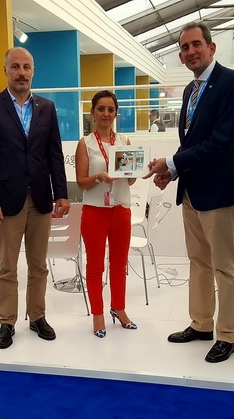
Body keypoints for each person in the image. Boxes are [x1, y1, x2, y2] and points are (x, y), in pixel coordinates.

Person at [144, 22, 234, 363]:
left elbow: (221, 142)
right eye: (184, 47)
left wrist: (171, 162)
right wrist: (173, 172)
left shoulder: (231, 82)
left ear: (211, 48)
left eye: (196, 44)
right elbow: (192, 142)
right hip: (192, 190)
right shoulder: (190, 91)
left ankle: (227, 335)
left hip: (220, 192)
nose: (190, 51)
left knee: (224, 266)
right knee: (199, 262)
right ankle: (201, 324)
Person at [0, 47, 70, 349]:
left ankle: (37, 316)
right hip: (7, 200)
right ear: (5, 70)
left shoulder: (46, 107)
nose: (21, 72)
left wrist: (61, 193)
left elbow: (54, 153)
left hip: (41, 198)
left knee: (39, 265)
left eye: (26, 67)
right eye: (15, 66)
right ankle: (7, 322)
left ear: (33, 71)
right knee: (7, 266)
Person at [75, 90, 137, 338]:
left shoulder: (124, 141)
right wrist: (98, 177)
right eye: (101, 109)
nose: (106, 114)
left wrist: (133, 171)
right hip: (94, 211)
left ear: (116, 114)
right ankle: (98, 314)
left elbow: (130, 181)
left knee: (120, 264)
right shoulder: (86, 143)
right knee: (95, 265)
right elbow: (81, 182)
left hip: (120, 209)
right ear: (92, 112)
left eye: (111, 109)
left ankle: (118, 308)